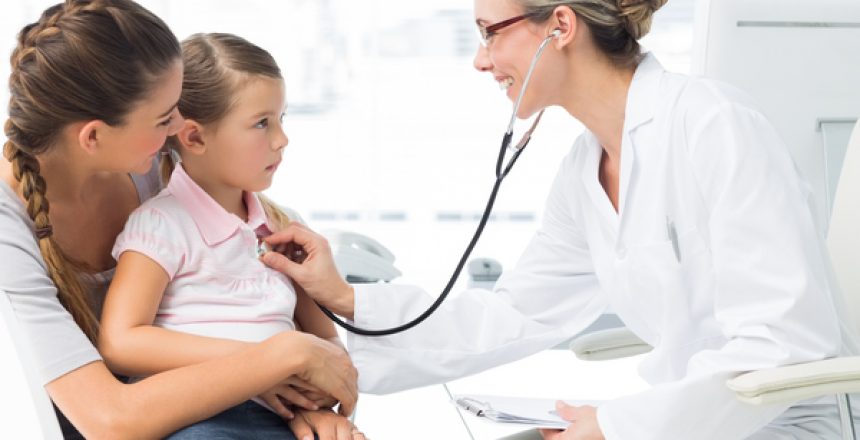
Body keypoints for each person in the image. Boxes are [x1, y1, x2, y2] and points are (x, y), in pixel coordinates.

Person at [261, 0, 859, 439]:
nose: (479, 60)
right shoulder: (585, 166)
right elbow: (516, 313)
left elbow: (783, 343)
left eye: (489, 34)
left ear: (560, 27)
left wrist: (618, 426)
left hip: (780, 423)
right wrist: (344, 307)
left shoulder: (712, 124)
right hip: (678, 422)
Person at [0, 1, 359, 439]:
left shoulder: (160, 164)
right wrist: (275, 360)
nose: (180, 131)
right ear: (93, 136)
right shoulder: (10, 226)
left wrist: (302, 405)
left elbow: (268, 316)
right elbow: (110, 421)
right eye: (163, 118)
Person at [98, 32, 358, 440]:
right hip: (197, 418)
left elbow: (325, 344)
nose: (282, 139)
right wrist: (264, 363)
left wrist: (326, 411)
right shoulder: (160, 224)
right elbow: (120, 342)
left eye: (281, 118)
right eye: (261, 123)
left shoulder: (285, 227)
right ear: (195, 137)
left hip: (282, 419)